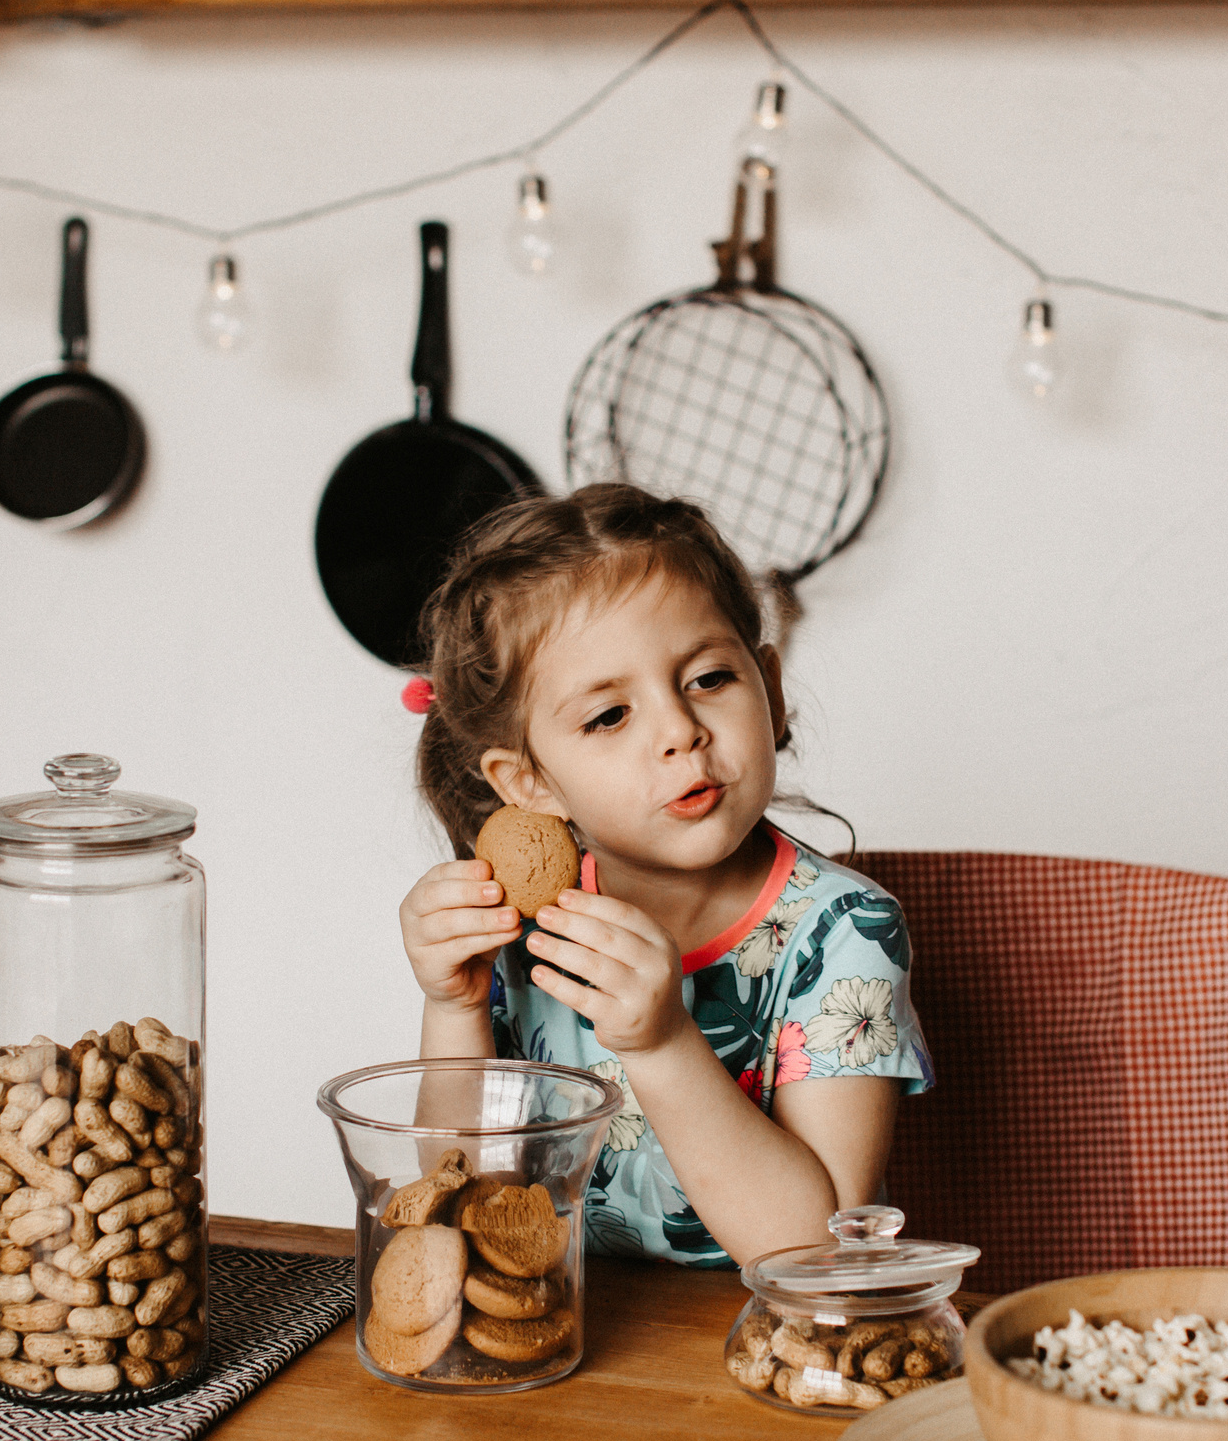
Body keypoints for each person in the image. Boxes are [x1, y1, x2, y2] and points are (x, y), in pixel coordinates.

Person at [395, 483, 932, 1271]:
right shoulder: (526, 925)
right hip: (580, 1333)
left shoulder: (846, 934)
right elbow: (463, 1188)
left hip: (768, 1345)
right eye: (610, 715)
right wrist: (452, 1008)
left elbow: (821, 1254)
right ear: (528, 783)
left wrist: (664, 1040)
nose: (681, 730)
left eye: (709, 678)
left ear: (772, 690)